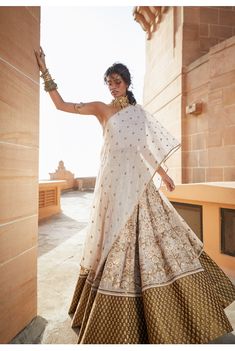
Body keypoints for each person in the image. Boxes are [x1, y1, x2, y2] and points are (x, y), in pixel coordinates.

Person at [35, 47, 235, 344]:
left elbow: (144, 150)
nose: (112, 86)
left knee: (156, 242)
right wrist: (45, 70)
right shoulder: (102, 109)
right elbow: (62, 105)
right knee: (114, 240)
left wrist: (164, 173)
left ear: (127, 83)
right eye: (109, 82)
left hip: (138, 185)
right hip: (113, 186)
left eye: (116, 81)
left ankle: (169, 310)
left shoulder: (138, 115)